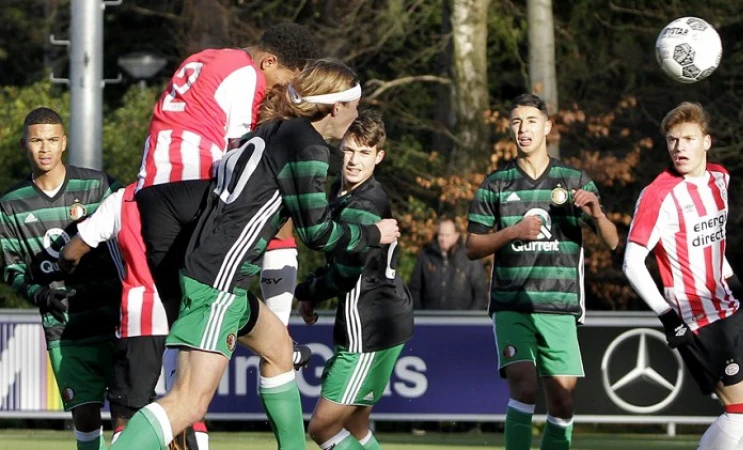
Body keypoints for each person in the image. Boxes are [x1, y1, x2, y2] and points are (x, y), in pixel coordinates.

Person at [111, 59, 400, 450]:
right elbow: (316, 233)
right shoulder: (309, 146)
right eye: (354, 106)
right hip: (220, 281)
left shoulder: (272, 130)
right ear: (336, 108)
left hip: (219, 272)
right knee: (188, 402)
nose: (356, 114)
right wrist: (373, 232)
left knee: (280, 350)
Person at [134, 22, 319, 346]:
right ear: (269, 62)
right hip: (197, 179)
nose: (278, 89)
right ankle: (281, 340)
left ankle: (171, 393)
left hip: (152, 187)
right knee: (274, 210)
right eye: (283, 81)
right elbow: (243, 152)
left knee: (183, 311)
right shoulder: (247, 75)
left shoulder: (205, 58)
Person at [623, 102, 743, 450]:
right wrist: (667, 316)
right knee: (741, 412)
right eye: (672, 140)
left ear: (707, 142)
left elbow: (712, 241)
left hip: (727, 306)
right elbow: (631, 263)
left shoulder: (719, 178)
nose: (679, 147)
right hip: (694, 317)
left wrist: (733, 281)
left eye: (688, 138)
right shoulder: (658, 195)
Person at [465, 94, 619, 450]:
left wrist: (596, 212)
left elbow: (611, 242)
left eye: (531, 121)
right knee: (524, 387)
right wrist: (512, 233)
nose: (523, 129)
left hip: (559, 305)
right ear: (509, 129)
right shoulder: (496, 183)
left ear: (547, 127)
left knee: (563, 401)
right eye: (516, 122)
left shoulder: (572, 178)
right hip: (512, 302)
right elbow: (473, 247)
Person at [0, 107, 122, 450]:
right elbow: (11, 269)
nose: (45, 148)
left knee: (129, 409)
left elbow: (133, 229)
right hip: (64, 327)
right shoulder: (10, 205)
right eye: (37, 141)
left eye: (52, 140)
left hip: (115, 320)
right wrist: (41, 295)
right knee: (84, 413)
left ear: (64, 142)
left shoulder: (99, 185)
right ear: (25, 144)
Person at [295, 111, 414, 450]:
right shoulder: (341, 192)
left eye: (364, 153)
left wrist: (306, 290)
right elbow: (340, 257)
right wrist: (314, 290)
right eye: (349, 150)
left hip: (370, 327)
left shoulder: (365, 203)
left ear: (379, 157)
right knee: (356, 424)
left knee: (322, 428)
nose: (353, 160)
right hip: (377, 319)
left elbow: (346, 274)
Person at [58, 183, 209, 450]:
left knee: (127, 414)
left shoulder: (123, 199)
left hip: (141, 319)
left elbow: (73, 251)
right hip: (189, 315)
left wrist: (63, 264)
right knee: (188, 407)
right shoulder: (196, 193)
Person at [410, 217, 488, 310]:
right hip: (430, 320)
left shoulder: (469, 259)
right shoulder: (425, 257)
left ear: (456, 235)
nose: (443, 239)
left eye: (447, 235)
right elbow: (414, 290)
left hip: (462, 321)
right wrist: (421, 317)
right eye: (441, 235)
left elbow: (481, 294)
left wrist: (470, 319)